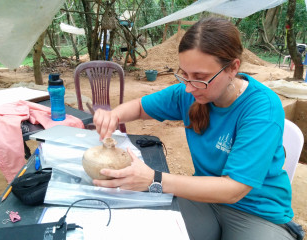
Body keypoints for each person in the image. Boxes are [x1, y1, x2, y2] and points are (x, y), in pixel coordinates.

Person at [92, 18, 295, 239]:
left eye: (200, 77)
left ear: (233, 68)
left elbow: (235, 189)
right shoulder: (189, 92)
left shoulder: (261, 109)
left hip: (258, 212)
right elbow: (140, 107)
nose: (188, 88)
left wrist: (155, 179)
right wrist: (114, 115)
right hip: (203, 198)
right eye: (184, 74)